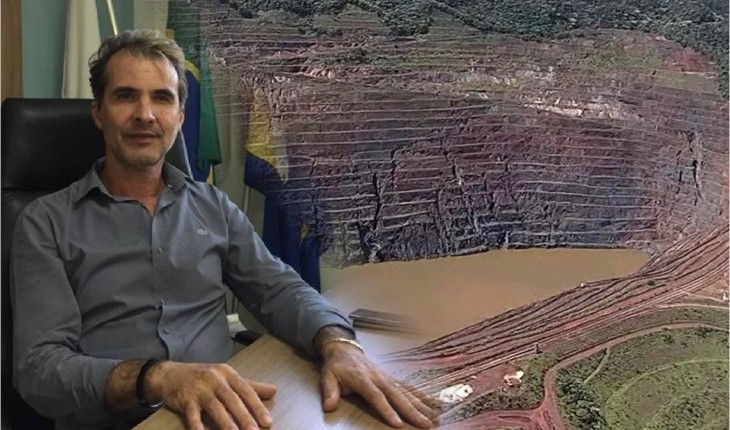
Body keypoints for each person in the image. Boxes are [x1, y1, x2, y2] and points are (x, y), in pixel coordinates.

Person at [10, 29, 436, 430]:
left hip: (227, 413)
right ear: (98, 113)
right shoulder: (45, 222)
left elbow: (279, 289)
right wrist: (156, 378)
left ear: (179, 116)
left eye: (162, 98)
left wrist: (339, 344)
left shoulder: (213, 206)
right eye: (125, 96)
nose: (145, 114)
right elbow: (40, 369)